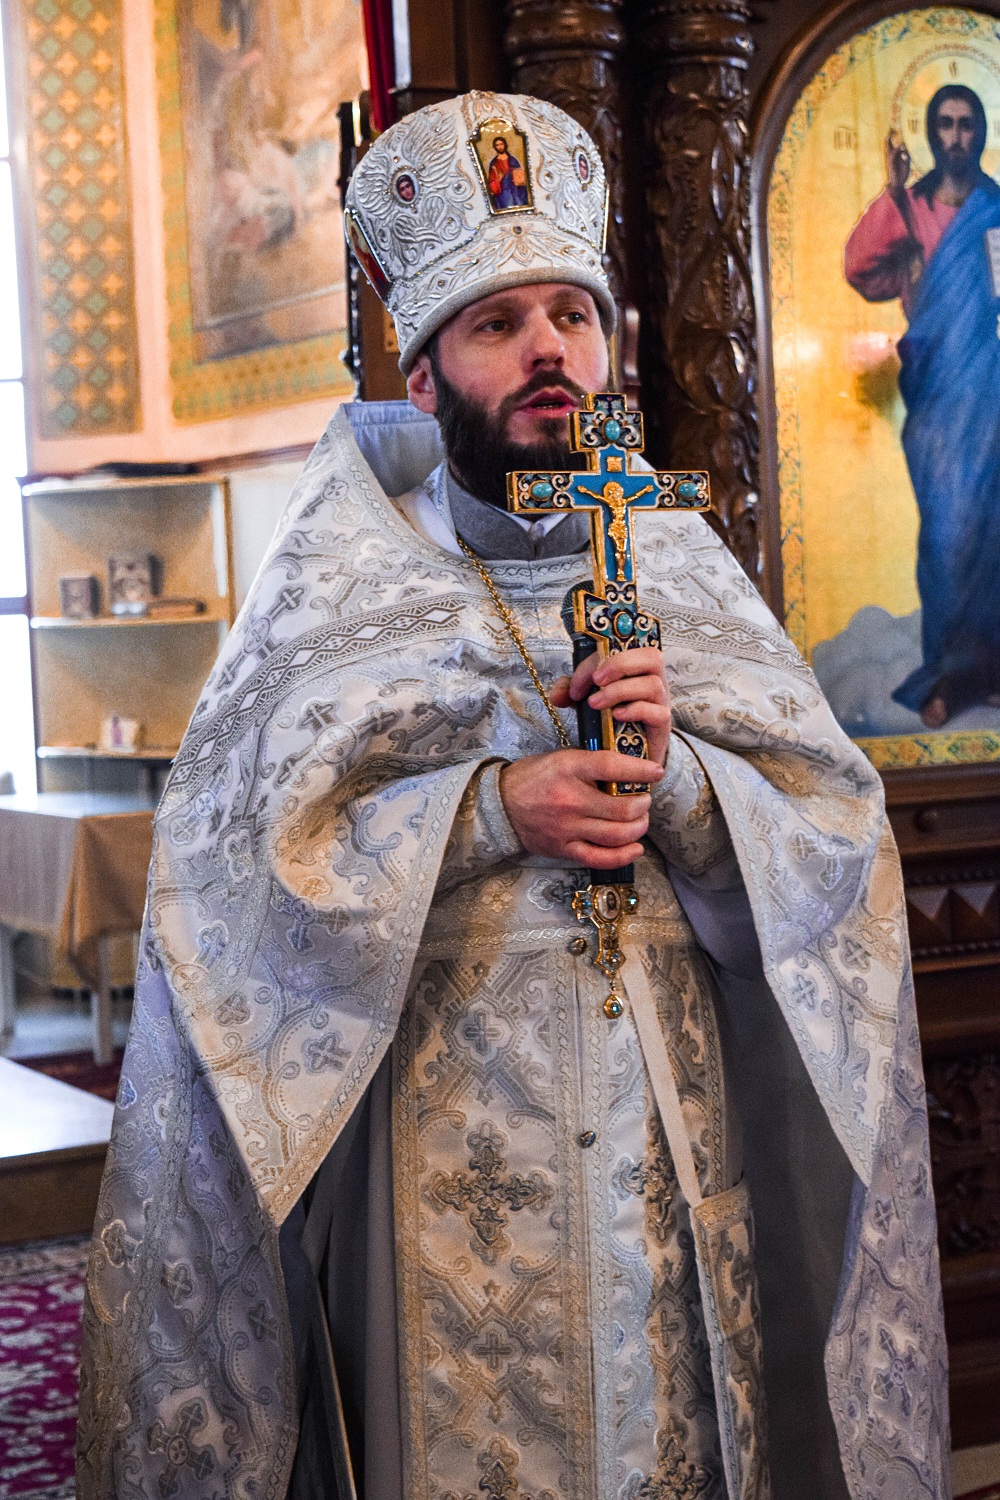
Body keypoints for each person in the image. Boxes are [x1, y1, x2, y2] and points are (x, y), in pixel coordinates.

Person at [78, 91, 948, 1500]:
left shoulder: (678, 560)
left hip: (667, 1141)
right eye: (498, 323)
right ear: (424, 376)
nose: (551, 349)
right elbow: (230, 885)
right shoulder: (337, 588)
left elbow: (835, 846)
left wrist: (683, 788)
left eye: (572, 315)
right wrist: (490, 810)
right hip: (446, 1150)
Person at [844, 84, 1000, 727]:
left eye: (967, 124)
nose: (957, 137)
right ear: (932, 134)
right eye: (945, 125)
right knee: (945, 530)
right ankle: (946, 672)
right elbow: (862, 269)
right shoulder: (909, 207)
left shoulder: (995, 209)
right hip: (936, 393)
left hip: (990, 392)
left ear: (980, 132)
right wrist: (892, 191)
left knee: (993, 529)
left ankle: (987, 672)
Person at [487, 134, 529, 208]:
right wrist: (498, 178)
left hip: (516, 190)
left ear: (505, 145)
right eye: (497, 145)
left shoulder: (512, 160)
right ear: (495, 147)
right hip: (503, 191)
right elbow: (491, 180)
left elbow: (520, 177)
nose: (500, 147)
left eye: (501, 144)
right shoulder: (494, 163)